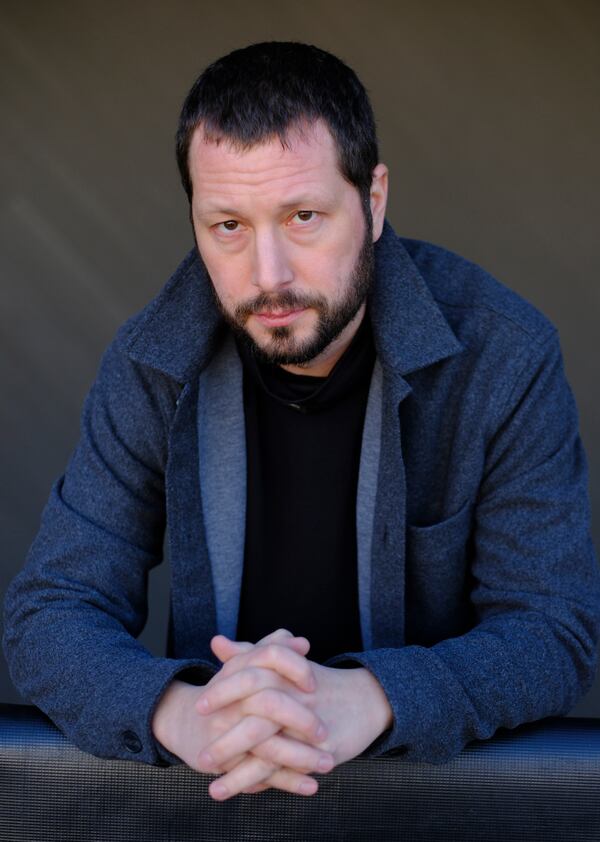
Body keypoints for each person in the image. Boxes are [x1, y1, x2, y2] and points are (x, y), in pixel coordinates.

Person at [4, 41, 600, 802]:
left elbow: (554, 629)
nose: (269, 273)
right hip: (219, 804)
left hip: (427, 810)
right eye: (228, 227)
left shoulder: (502, 354)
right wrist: (184, 713)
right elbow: (51, 611)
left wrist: (367, 697)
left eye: (304, 216)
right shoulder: (150, 362)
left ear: (374, 201)